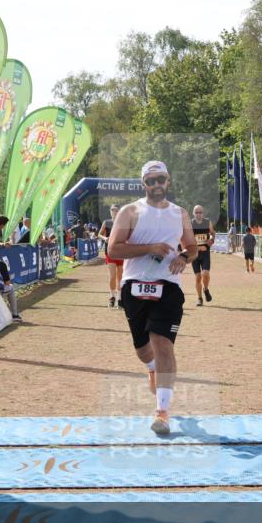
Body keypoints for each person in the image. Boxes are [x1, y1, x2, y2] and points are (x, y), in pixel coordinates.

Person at [107, 160, 197, 435]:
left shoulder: (180, 213)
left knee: (162, 342)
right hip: (134, 284)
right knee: (143, 349)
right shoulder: (130, 211)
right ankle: (151, 368)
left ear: (168, 181)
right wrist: (149, 248)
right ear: (143, 184)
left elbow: (192, 247)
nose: (157, 185)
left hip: (168, 285)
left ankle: (162, 412)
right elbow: (114, 249)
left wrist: (183, 256)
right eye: (151, 180)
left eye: (161, 179)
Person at [99, 204, 123, 308]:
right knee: (112, 275)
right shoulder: (106, 222)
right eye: (112, 210)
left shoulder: (123, 222)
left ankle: (120, 298)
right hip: (110, 252)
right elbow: (99, 234)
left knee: (120, 277)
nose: (114, 211)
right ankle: (112, 297)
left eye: (116, 210)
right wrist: (105, 239)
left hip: (121, 253)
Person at [190, 205, 215, 306]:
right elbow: (187, 239)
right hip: (194, 254)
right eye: (196, 212)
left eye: (200, 212)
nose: (198, 214)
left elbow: (213, 233)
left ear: (203, 213)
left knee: (205, 274)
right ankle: (200, 298)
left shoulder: (207, 222)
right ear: (193, 213)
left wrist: (212, 240)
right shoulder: (190, 224)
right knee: (198, 277)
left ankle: (206, 289)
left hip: (205, 253)